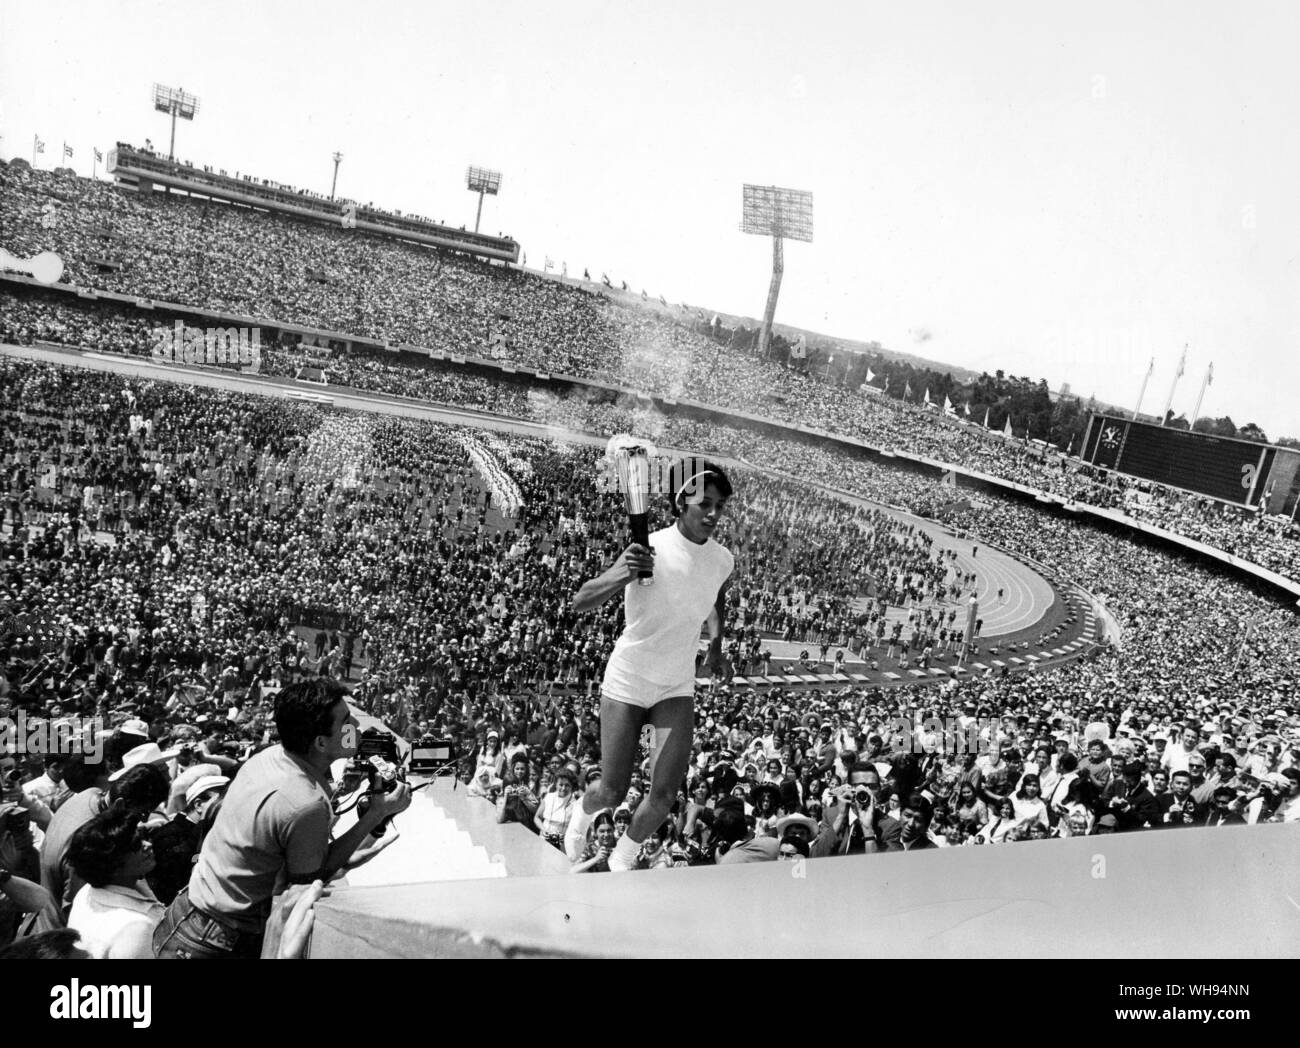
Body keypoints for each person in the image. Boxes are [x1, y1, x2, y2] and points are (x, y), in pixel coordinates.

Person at [154, 678, 410, 959]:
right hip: (216, 943)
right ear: (321, 742)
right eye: (347, 722)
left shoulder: (270, 757)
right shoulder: (305, 803)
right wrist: (376, 813)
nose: (357, 728)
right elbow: (311, 879)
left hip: (186, 917)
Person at [565, 459, 734, 871]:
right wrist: (623, 573)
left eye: (720, 506)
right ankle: (581, 816)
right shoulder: (649, 547)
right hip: (629, 678)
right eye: (704, 504)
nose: (713, 514)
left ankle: (623, 857)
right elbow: (580, 600)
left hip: (676, 684)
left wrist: (716, 646)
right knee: (611, 791)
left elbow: (715, 599)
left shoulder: (723, 559)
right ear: (681, 503)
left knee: (664, 795)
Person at [65, 806, 165, 959]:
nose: (148, 845)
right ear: (114, 864)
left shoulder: (86, 891)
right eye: (136, 845)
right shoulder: (136, 928)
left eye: (143, 837)